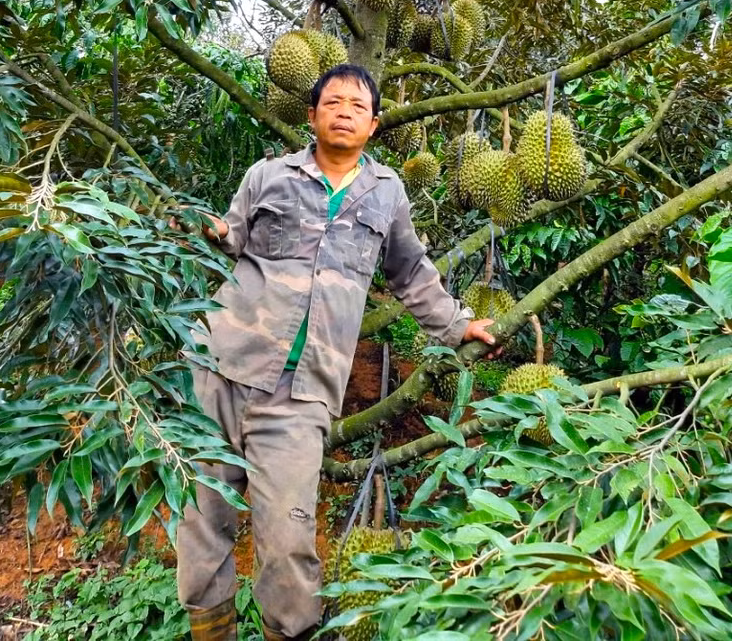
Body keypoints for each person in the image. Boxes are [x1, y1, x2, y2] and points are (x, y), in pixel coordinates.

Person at [176, 64, 498, 641]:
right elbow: (231, 240)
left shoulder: (387, 193)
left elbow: (411, 272)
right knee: (202, 520)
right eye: (332, 101)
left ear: (373, 124)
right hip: (222, 365)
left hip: (303, 393)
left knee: (290, 540)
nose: (344, 110)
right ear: (312, 115)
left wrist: (457, 325)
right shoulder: (267, 176)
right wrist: (213, 232)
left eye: (357, 104)